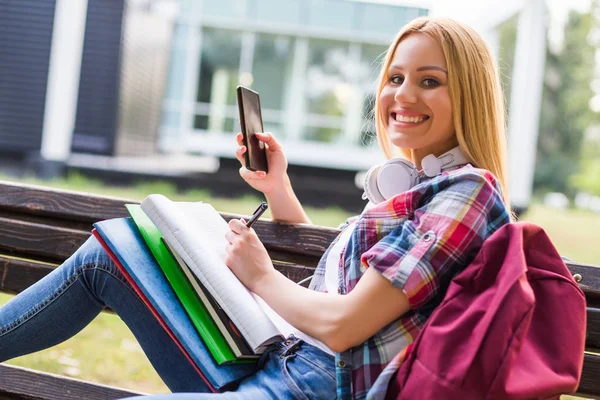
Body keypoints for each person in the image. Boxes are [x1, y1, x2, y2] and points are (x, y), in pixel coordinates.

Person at [0, 17, 512, 400]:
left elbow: (344, 326)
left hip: (315, 385)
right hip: (280, 360)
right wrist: (278, 190)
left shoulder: (467, 194)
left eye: (429, 81)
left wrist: (261, 277)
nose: (403, 94)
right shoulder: (422, 186)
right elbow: (350, 285)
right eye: (395, 79)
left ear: (469, 95)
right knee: (107, 253)